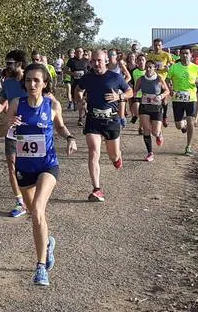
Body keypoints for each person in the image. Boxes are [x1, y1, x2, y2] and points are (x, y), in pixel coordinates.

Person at [6, 63, 78, 286]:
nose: (32, 84)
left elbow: (60, 127)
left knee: (38, 209)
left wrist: (70, 138)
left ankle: (40, 268)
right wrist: (9, 124)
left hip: (48, 165)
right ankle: (47, 244)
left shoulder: (52, 104)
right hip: (24, 168)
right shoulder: (17, 104)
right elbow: (3, 131)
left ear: (45, 83)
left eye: (36, 80)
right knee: (33, 214)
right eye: (28, 80)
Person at [74, 48, 131, 201]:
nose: (96, 63)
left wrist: (119, 96)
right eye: (94, 60)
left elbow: (129, 92)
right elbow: (78, 90)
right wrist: (80, 100)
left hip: (111, 120)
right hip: (93, 119)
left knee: (114, 155)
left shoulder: (116, 77)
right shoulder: (88, 77)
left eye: (99, 60)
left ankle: (117, 159)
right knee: (93, 152)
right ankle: (97, 189)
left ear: (106, 60)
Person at [0, 50, 29, 218]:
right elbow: (0, 103)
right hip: (12, 129)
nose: (7, 66)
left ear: (19, 64)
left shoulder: (30, 81)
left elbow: (46, 99)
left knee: (30, 167)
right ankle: (20, 202)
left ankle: (32, 197)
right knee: (12, 165)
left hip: (31, 131)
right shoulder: (7, 83)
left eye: (10, 63)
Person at [167, 47, 198, 155]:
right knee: (178, 125)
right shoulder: (174, 67)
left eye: (187, 53)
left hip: (191, 99)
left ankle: (188, 147)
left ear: (190, 55)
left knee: (191, 122)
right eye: (183, 53)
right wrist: (170, 88)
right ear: (180, 55)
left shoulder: (196, 68)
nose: (185, 55)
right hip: (177, 99)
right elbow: (167, 79)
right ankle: (183, 124)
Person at [134, 59, 169, 162]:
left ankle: (159, 135)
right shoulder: (141, 79)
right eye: (147, 67)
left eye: (150, 67)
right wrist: (136, 94)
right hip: (144, 106)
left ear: (154, 68)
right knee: (146, 129)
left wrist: (161, 96)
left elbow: (167, 90)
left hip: (156, 107)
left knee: (155, 131)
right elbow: (135, 90)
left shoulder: (159, 78)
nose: (148, 69)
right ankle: (150, 153)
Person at [147, 39, 176, 126]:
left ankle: (164, 116)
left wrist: (168, 66)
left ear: (162, 46)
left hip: (163, 79)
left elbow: (172, 64)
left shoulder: (166, 55)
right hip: (152, 80)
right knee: (153, 99)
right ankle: (153, 117)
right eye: (155, 45)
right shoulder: (150, 55)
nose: (157, 47)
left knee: (164, 100)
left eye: (159, 45)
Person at [66, 47, 90, 125]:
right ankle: (85, 112)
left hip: (85, 83)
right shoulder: (71, 61)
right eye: (77, 52)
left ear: (83, 53)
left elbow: (91, 70)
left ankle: (80, 118)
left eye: (80, 51)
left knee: (82, 100)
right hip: (76, 83)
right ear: (75, 53)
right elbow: (65, 70)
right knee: (79, 100)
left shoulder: (86, 61)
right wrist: (73, 74)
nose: (79, 53)